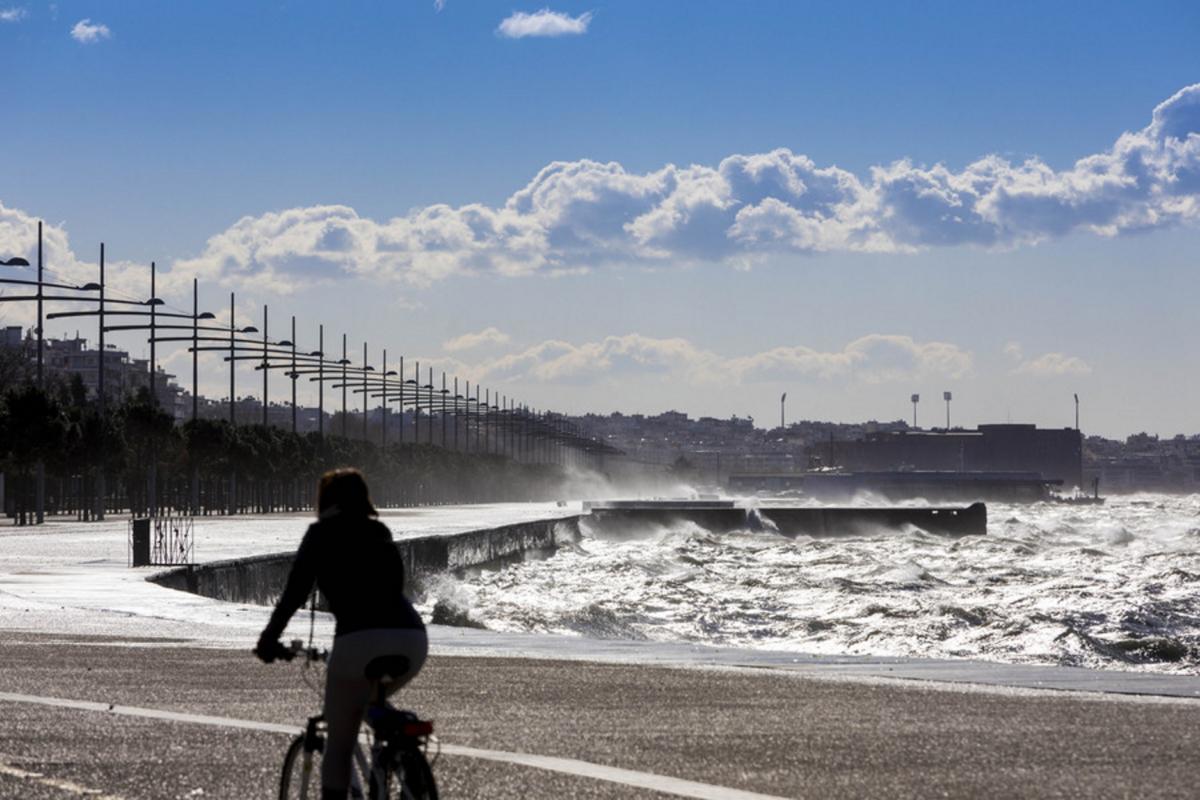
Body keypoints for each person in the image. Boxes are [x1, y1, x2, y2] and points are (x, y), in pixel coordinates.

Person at [256, 468, 427, 800]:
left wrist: (268, 639)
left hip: (358, 641)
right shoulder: (380, 531)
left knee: (340, 740)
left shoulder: (320, 534)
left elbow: (295, 593)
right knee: (370, 703)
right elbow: (397, 585)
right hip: (412, 637)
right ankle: (400, 760)